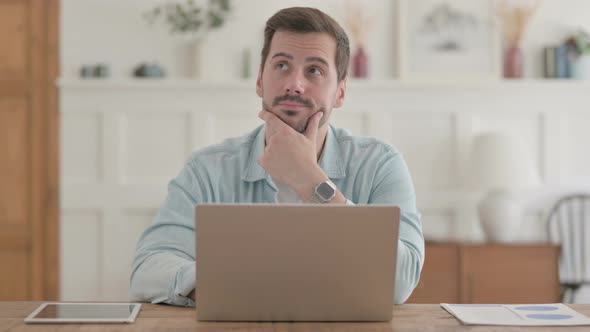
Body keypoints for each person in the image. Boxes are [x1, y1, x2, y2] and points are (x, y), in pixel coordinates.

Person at [130, 6, 424, 307]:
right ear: (260, 80)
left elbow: (400, 282)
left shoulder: (381, 165)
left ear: (341, 92)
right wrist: (237, 286)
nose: (293, 84)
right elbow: (148, 270)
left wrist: (312, 182)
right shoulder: (207, 169)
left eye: (315, 70)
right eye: (282, 65)